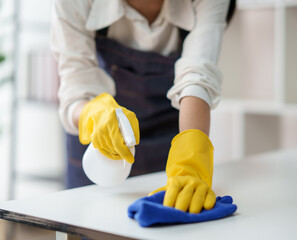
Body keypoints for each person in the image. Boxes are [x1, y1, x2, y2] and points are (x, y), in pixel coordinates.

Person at [51, 0, 235, 214]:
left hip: (170, 138)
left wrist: (190, 163)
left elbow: (198, 78)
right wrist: (92, 114)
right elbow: (75, 88)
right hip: (100, 150)